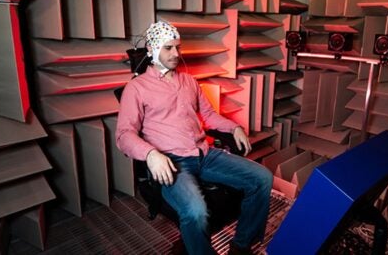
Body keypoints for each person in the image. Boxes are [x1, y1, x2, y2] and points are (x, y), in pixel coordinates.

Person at [116, 21, 273, 255]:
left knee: (263, 178)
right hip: (171, 163)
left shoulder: (189, 81)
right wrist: (150, 154)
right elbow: (124, 134)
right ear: (152, 49)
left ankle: (240, 246)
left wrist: (233, 128)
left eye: (178, 48)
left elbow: (208, 115)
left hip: (205, 155)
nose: (176, 54)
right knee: (195, 211)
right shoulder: (137, 88)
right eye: (168, 48)